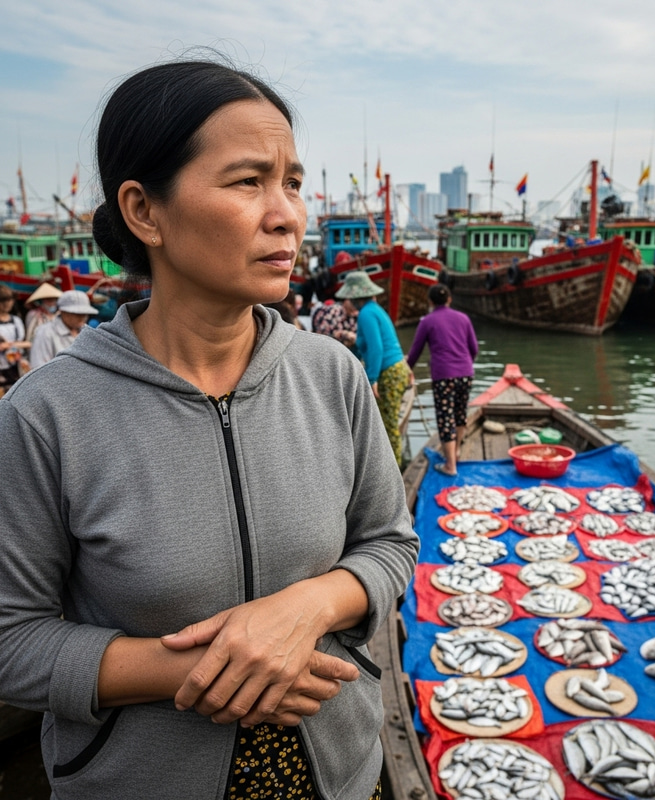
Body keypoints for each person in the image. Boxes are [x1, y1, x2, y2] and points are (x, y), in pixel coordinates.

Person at [0, 57, 418, 800]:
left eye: (291, 181)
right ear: (145, 212)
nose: (288, 212)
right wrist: (205, 668)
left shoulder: (332, 375)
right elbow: (12, 640)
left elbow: (389, 544)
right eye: (247, 181)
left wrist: (307, 608)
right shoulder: (46, 415)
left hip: (340, 775)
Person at [334, 271, 410, 466]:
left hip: (389, 372)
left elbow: (376, 348)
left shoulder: (367, 314)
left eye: (346, 299)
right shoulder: (373, 310)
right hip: (396, 369)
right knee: (387, 420)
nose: (345, 303)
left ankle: (395, 470)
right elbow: (363, 347)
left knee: (388, 424)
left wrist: (372, 379)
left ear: (354, 298)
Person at [406, 283, 478, 476]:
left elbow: (414, 353)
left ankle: (450, 465)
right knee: (460, 413)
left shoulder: (427, 321)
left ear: (430, 301)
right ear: (449, 299)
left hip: (444, 376)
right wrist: (465, 366)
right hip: (465, 373)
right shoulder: (463, 318)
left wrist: (408, 371)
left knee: (446, 418)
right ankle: (456, 451)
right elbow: (474, 349)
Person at [28, 289, 99, 369]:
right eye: (77, 314)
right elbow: (38, 368)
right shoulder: (45, 332)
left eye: (85, 314)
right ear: (63, 312)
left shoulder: (88, 332)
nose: (82, 318)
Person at [0, 285, 31, 389]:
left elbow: (27, 343)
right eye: (4, 300)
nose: (8, 304)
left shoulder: (16, 320)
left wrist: (10, 345)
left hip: (16, 365)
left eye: (10, 300)